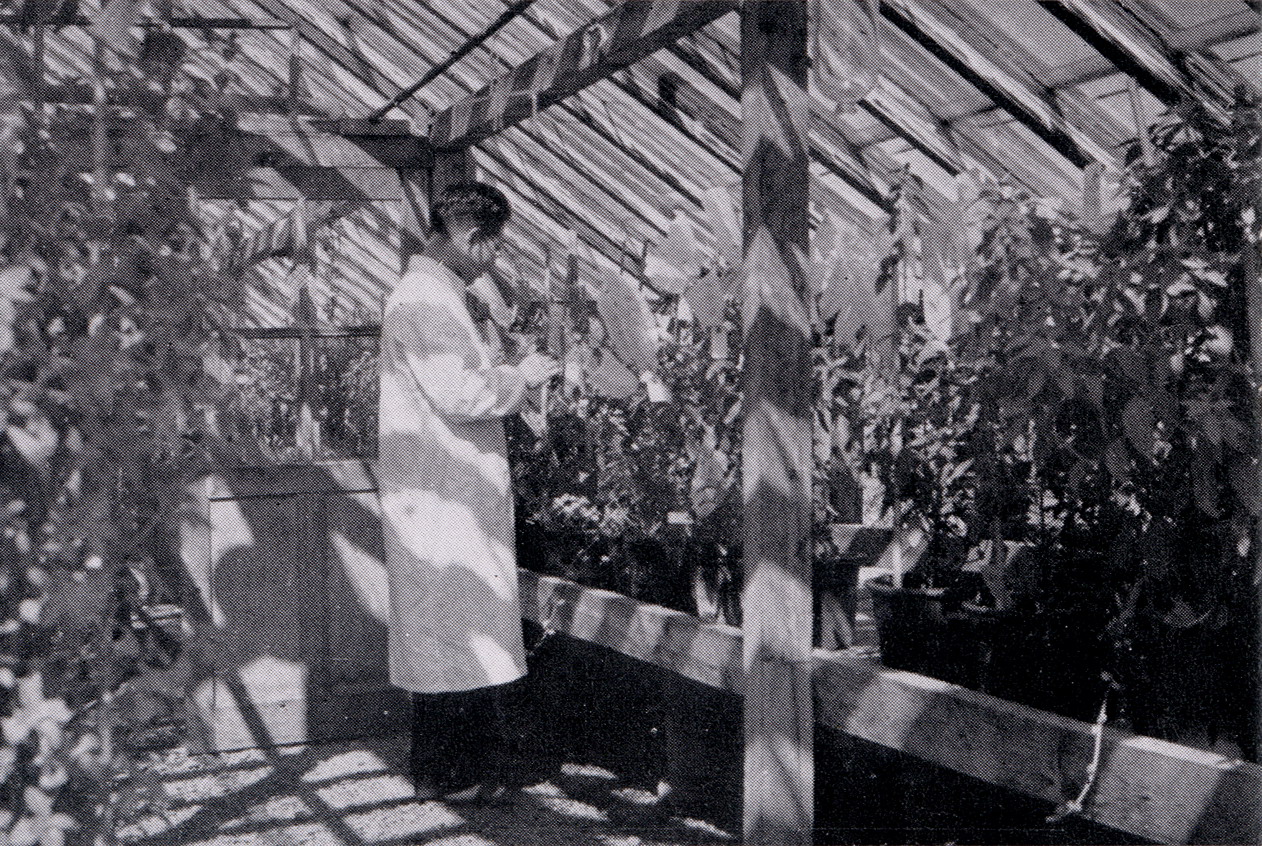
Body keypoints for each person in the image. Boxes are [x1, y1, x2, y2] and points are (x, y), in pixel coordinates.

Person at [377, 182, 559, 803]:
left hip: (444, 493)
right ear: (470, 238)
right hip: (442, 499)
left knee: (453, 633)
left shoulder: (434, 295)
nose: (494, 257)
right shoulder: (426, 301)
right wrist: (521, 376)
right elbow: (460, 393)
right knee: (451, 635)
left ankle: (454, 769)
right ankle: (449, 773)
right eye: (493, 244)